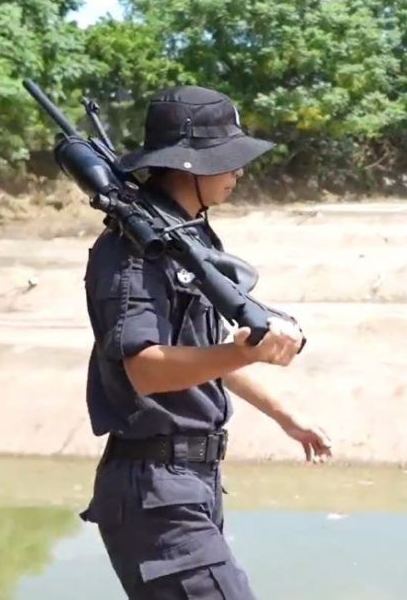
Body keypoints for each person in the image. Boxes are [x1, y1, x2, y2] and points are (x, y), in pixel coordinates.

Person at [78, 84, 332, 600]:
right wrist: (246, 349)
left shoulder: (183, 238)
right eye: (228, 159)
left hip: (190, 483)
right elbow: (145, 368)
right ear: (190, 164)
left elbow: (205, 352)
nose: (238, 172)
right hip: (155, 489)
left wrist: (285, 416)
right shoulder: (132, 251)